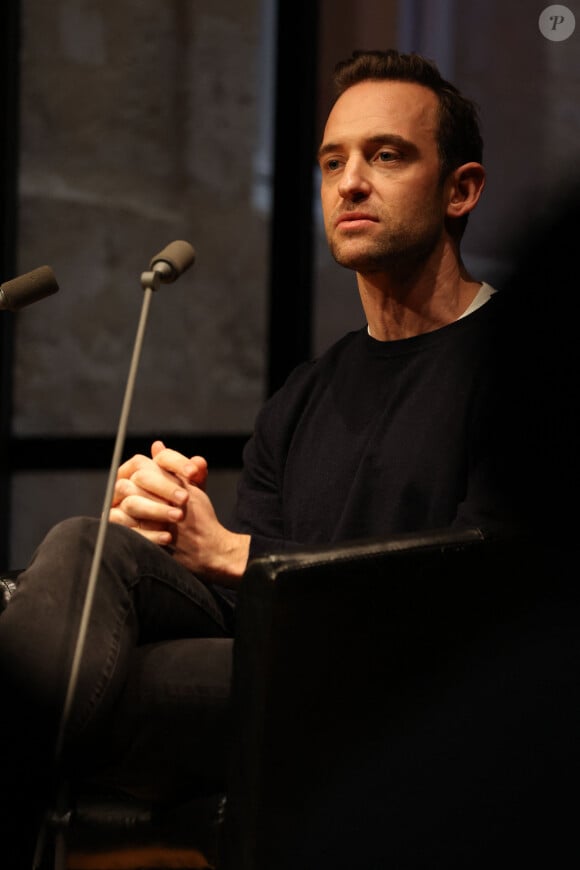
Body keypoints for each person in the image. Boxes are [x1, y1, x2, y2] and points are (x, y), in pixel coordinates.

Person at [0, 49, 513, 866]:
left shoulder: (527, 370)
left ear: (462, 189)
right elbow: (254, 604)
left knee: (80, 687)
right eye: (331, 161)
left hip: (420, 699)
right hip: (289, 672)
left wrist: (235, 554)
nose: (349, 183)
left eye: (386, 155)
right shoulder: (305, 395)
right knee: (89, 543)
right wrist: (174, 531)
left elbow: (489, 594)